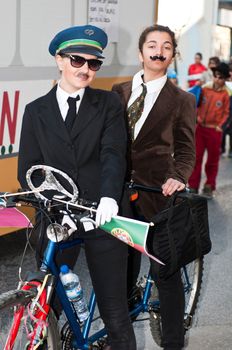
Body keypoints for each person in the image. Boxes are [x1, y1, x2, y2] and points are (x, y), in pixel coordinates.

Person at [18, 24, 136, 350]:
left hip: (102, 215)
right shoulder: (35, 112)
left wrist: (110, 198)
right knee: (44, 307)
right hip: (58, 220)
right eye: (76, 60)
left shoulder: (109, 104)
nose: (85, 69)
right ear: (59, 60)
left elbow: (113, 153)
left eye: (93, 63)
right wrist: (58, 207)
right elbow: (29, 169)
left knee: (114, 312)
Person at [113, 24, 196, 350]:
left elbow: (187, 149)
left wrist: (178, 176)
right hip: (118, 193)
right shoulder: (117, 92)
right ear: (140, 52)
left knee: (165, 273)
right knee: (120, 272)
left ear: (172, 54)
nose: (158, 50)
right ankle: (120, 336)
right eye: (152, 44)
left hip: (158, 195)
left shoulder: (182, 100)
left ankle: (173, 342)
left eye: (166, 45)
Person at [188, 62, 230, 197]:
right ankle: (193, 185)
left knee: (212, 160)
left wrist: (220, 126)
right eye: (216, 76)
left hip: (214, 131)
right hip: (200, 129)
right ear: (213, 76)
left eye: (221, 77)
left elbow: (227, 113)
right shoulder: (205, 89)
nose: (218, 80)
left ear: (225, 79)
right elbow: (194, 102)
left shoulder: (226, 95)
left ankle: (209, 186)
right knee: (196, 158)